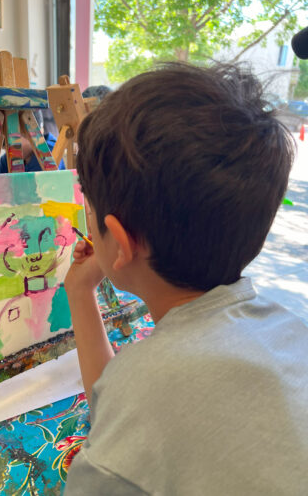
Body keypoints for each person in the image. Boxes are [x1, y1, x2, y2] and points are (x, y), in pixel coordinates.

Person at [63, 62, 308, 495]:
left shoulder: (143, 398)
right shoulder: (287, 327)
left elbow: (118, 448)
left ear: (119, 240)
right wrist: (81, 293)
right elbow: (121, 408)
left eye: (89, 207)